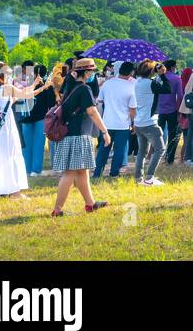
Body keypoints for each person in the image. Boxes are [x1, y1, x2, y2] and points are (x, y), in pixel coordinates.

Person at [50, 57, 110, 216]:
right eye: (92, 71)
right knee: (70, 173)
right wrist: (104, 131)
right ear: (87, 72)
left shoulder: (70, 86)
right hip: (78, 136)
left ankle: (90, 204)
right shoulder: (84, 89)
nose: (92, 74)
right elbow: (92, 111)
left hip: (71, 134)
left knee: (82, 172)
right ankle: (57, 209)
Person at [0, 63, 41, 199]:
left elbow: (17, 97)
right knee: (10, 156)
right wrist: (37, 84)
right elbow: (25, 95)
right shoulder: (6, 88)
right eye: (8, 73)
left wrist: (37, 86)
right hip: (4, 129)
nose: (10, 76)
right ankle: (15, 192)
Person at [93, 61, 136, 179]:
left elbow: (100, 100)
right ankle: (114, 173)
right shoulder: (132, 86)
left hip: (107, 122)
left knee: (103, 148)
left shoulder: (108, 83)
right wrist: (133, 123)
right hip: (122, 124)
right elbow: (132, 109)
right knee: (119, 150)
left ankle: (97, 173)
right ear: (131, 73)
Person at [132, 61, 170, 186]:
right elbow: (167, 89)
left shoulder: (136, 82)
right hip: (149, 122)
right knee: (160, 149)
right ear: (151, 71)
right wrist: (163, 75)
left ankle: (138, 178)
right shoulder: (151, 84)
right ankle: (150, 178)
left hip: (138, 122)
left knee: (141, 152)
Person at [19, 64, 55, 176]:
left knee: (28, 145)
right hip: (38, 118)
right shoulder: (47, 86)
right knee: (37, 144)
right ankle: (34, 170)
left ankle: (28, 169)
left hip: (28, 118)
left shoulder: (26, 85)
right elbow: (51, 104)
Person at [158, 59, 183, 164]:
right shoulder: (176, 78)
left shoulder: (158, 78)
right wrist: (179, 110)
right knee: (173, 135)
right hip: (172, 110)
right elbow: (180, 96)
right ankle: (169, 158)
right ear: (173, 67)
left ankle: (157, 155)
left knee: (158, 134)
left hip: (160, 110)